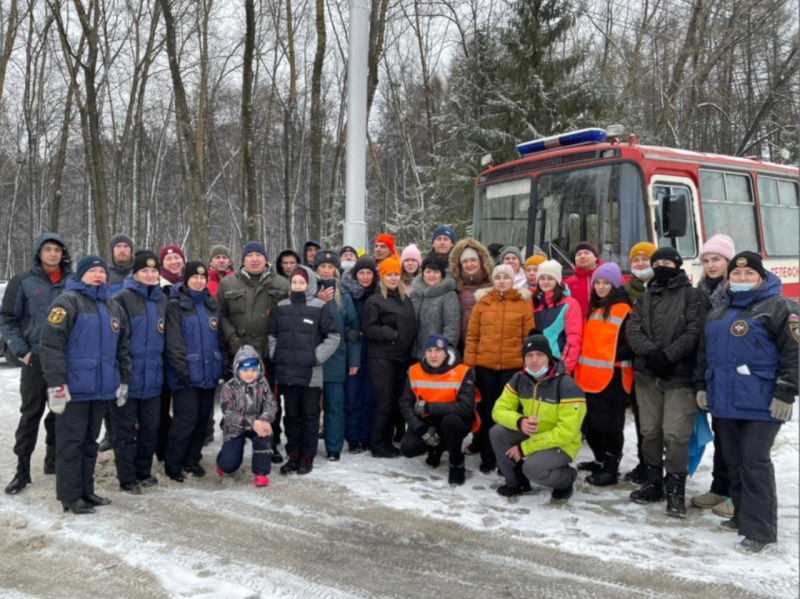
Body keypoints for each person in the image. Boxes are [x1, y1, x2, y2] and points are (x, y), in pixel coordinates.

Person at [694, 252, 798, 554]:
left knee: (755, 462)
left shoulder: (780, 307)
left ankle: (760, 532)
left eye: (749, 275)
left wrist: (786, 392)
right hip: (724, 401)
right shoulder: (719, 311)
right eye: (736, 276)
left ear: (761, 278)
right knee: (734, 460)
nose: (741, 280)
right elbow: (704, 353)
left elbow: (795, 354)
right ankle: (741, 515)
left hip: (763, 404)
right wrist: (701, 385)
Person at [39, 255, 131, 514]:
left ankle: (86, 491)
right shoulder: (66, 303)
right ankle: (69, 496)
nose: (99, 275)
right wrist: (56, 385)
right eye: (93, 271)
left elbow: (122, 349)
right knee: (71, 445)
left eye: (102, 271)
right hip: (73, 391)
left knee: (90, 442)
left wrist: (123, 380)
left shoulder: (113, 307)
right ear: (81, 275)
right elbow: (50, 346)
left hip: (101, 389)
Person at [626, 247, 709, 518]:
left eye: (666, 262)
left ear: (677, 264)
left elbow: (695, 330)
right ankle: (653, 484)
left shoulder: (692, 295)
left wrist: (668, 356)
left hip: (679, 377)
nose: (661, 266)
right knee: (650, 431)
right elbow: (633, 328)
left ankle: (676, 492)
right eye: (656, 262)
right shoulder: (645, 297)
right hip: (647, 374)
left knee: (675, 435)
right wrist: (651, 354)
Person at [1, 233, 71, 495]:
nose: (53, 254)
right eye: (48, 249)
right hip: (36, 361)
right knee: (31, 414)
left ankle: (52, 461)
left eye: (57, 250)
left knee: (59, 412)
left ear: (63, 254)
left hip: (62, 363)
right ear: (39, 253)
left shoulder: (72, 282)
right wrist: (23, 351)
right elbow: (7, 318)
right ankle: (22, 469)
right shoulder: (23, 282)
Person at [490, 330, 586, 500]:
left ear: (548, 357)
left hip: (561, 442)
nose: (534, 360)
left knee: (533, 469)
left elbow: (567, 432)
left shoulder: (566, 385)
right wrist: (519, 421)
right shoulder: (519, 379)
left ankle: (566, 479)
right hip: (535, 433)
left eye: (540, 355)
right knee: (497, 432)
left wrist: (525, 447)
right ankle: (516, 483)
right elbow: (498, 410)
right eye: (529, 355)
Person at [217, 241, 289, 461]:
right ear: (243, 259)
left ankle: (270, 441)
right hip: (237, 353)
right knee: (236, 401)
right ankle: (233, 441)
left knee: (268, 400)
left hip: (268, 356)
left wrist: (270, 346)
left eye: (259, 255)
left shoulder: (281, 283)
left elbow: (285, 319)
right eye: (250, 255)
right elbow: (222, 316)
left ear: (266, 259)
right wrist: (236, 345)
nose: (255, 259)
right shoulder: (228, 283)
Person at [269, 266, 340, 475]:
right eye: (294, 282)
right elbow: (272, 334)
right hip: (288, 372)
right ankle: (293, 454)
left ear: (309, 283)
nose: (298, 286)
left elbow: (333, 337)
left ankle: (307, 455)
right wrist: (276, 353)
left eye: (301, 282)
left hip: (310, 374)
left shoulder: (319, 307)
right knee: (291, 415)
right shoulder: (281, 306)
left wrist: (316, 357)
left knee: (309, 415)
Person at [464, 264, 534, 473]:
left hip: (512, 369)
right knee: (487, 412)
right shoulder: (482, 304)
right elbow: (472, 337)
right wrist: (470, 366)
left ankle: (506, 460)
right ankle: (487, 456)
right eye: (498, 277)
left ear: (513, 280)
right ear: (493, 280)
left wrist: (527, 368)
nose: (502, 281)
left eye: (506, 277)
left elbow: (528, 339)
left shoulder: (523, 305)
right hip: (486, 367)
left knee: (508, 415)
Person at [110, 251, 168, 493]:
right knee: (124, 431)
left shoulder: (161, 299)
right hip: (128, 377)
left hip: (153, 378)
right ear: (135, 273)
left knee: (150, 428)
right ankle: (127, 477)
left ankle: (144, 470)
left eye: (154, 271)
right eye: (145, 270)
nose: (150, 274)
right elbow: (114, 340)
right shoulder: (122, 298)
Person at [573, 263, 633, 486]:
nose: (600, 286)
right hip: (589, 377)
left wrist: (609, 356)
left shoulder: (624, 310)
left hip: (614, 378)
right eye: (597, 282)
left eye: (606, 282)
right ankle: (599, 461)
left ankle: (610, 469)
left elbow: (630, 345)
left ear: (615, 284)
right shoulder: (594, 307)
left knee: (610, 426)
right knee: (590, 422)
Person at [164, 262, 224, 482]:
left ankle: (192, 459)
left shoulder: (211, 304)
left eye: (202, 277)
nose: (199, 281)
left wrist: (222, 365)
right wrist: (181, 369)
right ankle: (173, 463)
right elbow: (173, 341)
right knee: (185, 421)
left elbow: (218, 338)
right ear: (186, 280)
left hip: (208, 373)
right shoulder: (175, 305)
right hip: (186, 375)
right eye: (194, 277)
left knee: (201, 421)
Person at [690, 234, 737, 517]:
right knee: (721, 434)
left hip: (734, 376)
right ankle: (720, 487)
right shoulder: (701, 291)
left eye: (716, 259)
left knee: (736, 438)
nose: (710, 265)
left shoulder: (736, 292)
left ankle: (737, 493)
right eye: (706, 260)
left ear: (729, 261)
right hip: (710, 372)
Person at [399, 334, 476, 486]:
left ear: (446, 353)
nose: (433, 355)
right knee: (408, 448)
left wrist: (428, 407)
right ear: (424, 353)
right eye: (429, 350)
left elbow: (466, 407)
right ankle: (436, 448)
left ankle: (456, 463)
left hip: (455, 419)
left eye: (438, 351)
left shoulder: (462, 371)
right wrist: (421, 429)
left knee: (450, 422)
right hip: (427, 420)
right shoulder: (414, 371)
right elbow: (405, 403)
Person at [362, 256, 417, 458]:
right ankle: (378, 443)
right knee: (384, 403)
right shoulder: (375, 300)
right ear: (382, 277)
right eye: (389, 275)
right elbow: (368, 328)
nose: (393, 278)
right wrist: (391, 334)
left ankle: (389, 439)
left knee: (395, 402)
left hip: (402, 358)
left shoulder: (405, 299)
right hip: (381, 358)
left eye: (396, 274)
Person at [314, 250, 361, 461]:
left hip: (337, 358)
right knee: (309, 405)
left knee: (334, 404)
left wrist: (354, 360)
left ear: (336, 270)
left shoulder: (343, 295)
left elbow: (354, 330)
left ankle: (334, 446)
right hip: (312, 357)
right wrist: (315, 300)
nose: (326, 270)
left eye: (330, 267)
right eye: (322, 267)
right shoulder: (306, 291)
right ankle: (307, 446)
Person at [621, 241, 657, 485]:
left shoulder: (663, 288)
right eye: (636, 260)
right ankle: (646, 463)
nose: (641, 264)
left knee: (659, 420)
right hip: (634, 364)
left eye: (646, 259)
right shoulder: (624, 291)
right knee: (643, 418)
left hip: (662, 363)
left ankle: (659, 464)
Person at [216, 345, 277, 487]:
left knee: (265, 434)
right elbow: (229, 413)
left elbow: (270, 403)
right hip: (236, 427)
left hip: (257, 423)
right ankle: (223, 459)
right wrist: (252, 422)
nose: (249, 374)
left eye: (253, 370)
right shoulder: (229, 387)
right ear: (237, 369)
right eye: (245, 370)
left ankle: (260, 473)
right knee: (229, 466)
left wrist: (264, 420)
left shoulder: (262, 383)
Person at [340, 255, 380, 453]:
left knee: (369, 396)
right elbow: (339, 320)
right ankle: (352, 436)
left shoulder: (380, 294)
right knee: (353, 395)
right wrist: (348, 332)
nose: (365, 277)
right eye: (361, 273)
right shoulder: (347, 294)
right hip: (354, 351)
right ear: (355, 275)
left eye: (369, 273)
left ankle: (366, 434)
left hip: (373, 351)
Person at [532, 260, 583, 375]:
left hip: (557, 366)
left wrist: (565, 368)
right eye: (542, 278)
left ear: (558, 281)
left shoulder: (570, 304)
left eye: (550, 278)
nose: (545, 282)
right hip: (534, 366)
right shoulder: (533, 303)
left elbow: (574, 338)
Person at [449, 238, 494, 352]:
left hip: (490, 345)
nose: (469, 264)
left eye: (473, 260)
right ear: (459, 264)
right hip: (464, 346)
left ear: (481, 261)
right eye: (465, 261)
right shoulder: (456, 287)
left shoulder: (494, 283)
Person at [411, 256, 460, 360]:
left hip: (437, 355)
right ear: (422, 274)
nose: (431, 275)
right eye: (428, 271)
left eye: (436, 272)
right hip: (414, 354)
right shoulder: (415, 294)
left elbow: (452, 327)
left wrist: (445, 351)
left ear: (442, 274)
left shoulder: (449, 295)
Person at [564, 241, 603, 317]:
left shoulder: (609, 277)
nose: (582, 256)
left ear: (595, 257)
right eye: (578, 254)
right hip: (578, 326)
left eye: (586, 253)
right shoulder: (567, 284)